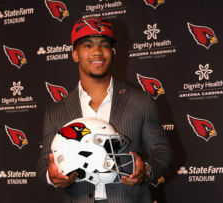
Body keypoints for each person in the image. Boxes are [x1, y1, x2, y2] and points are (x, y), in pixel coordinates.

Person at [37, 17, 172, 203]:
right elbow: (45, 161)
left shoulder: (141, 101)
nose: (97, 52)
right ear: (75, 54)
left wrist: (146, 170)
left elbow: (161, 151)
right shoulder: (56, 111)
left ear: (112, 51)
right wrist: (50, 176)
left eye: (104, 45)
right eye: (87, 45)